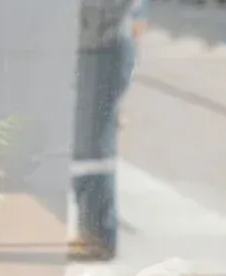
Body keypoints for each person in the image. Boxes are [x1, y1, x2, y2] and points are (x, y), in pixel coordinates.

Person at [69, 0, 141, 261]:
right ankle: (90, 230)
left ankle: (98, 235)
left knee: (92, 150)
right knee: (85, 146)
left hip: (102, 47)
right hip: (92, 46)